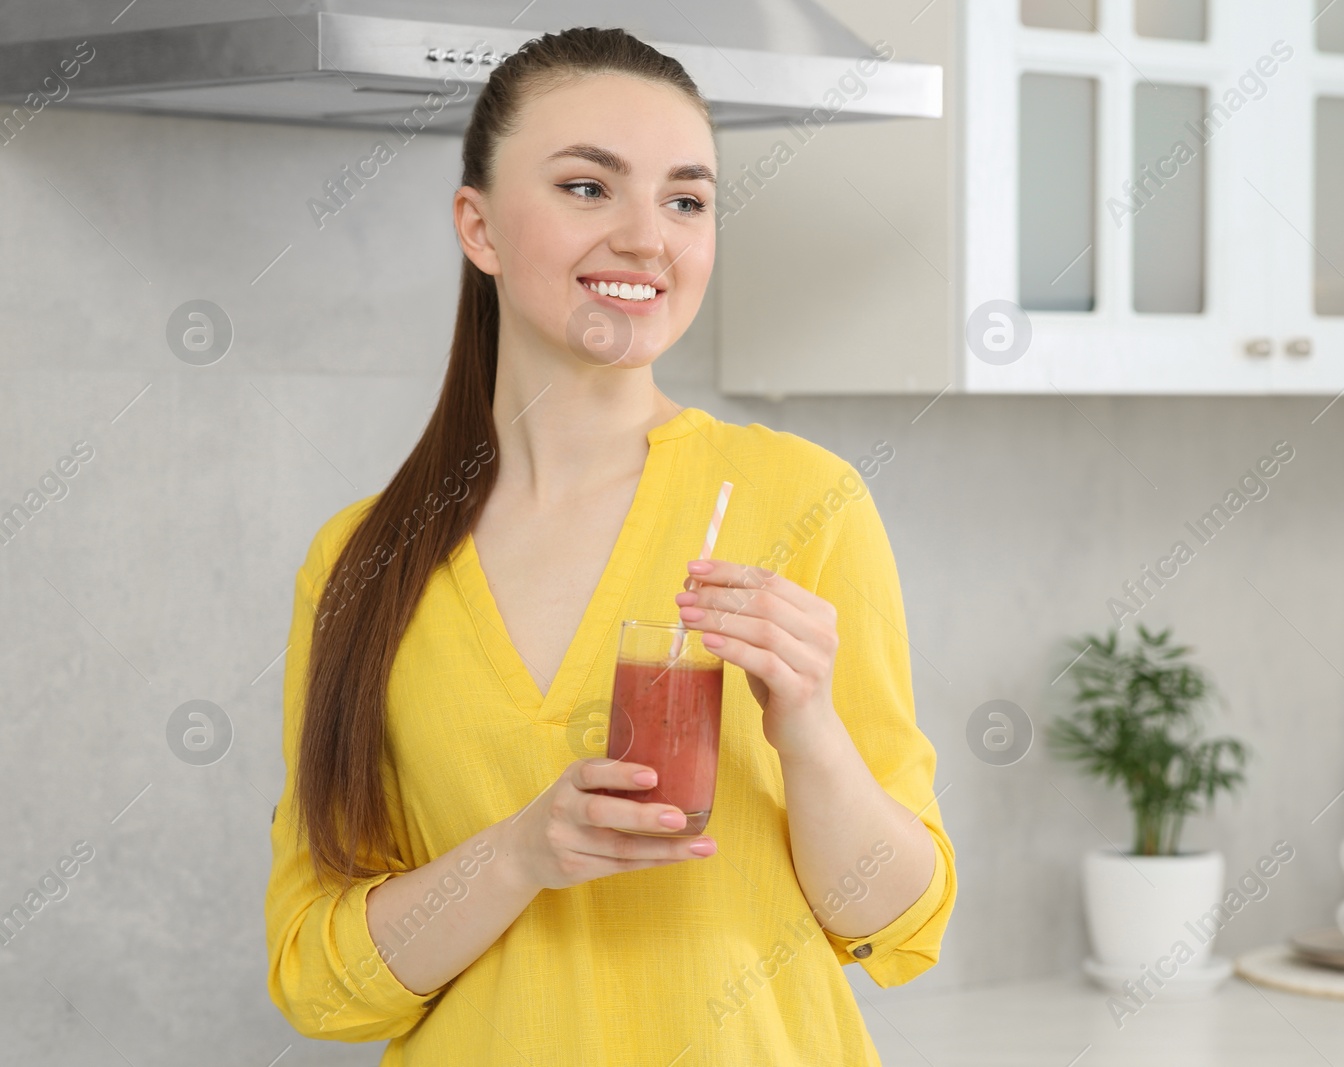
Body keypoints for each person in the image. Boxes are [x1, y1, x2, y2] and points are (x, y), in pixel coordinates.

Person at [263, 26, 955, 1065]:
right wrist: (515, 854)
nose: (648, 238)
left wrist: (807, 725)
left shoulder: (802, 501)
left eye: (686, 200)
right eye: (589, 188)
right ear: (480, 225)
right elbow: (318, 978)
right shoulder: (361, 558)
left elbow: (899, 920)